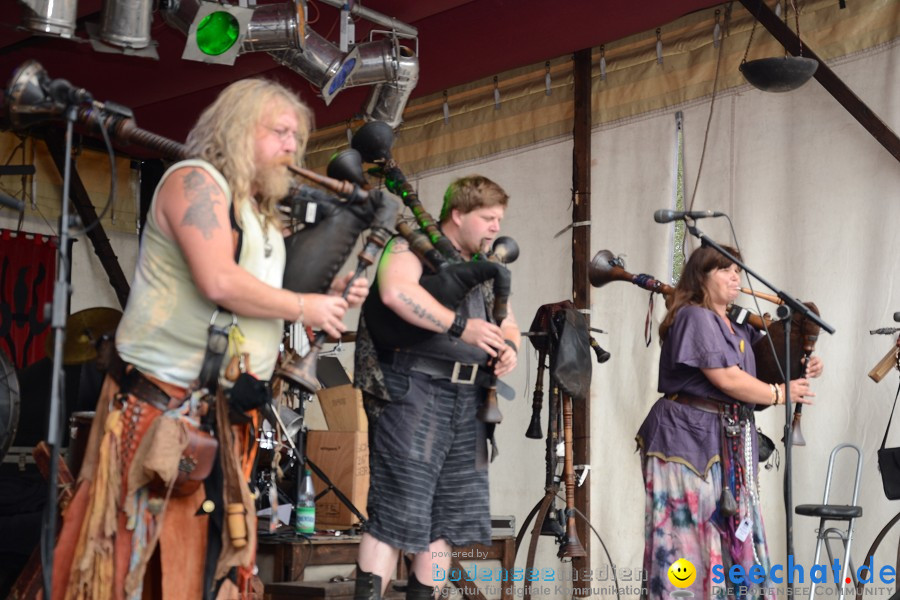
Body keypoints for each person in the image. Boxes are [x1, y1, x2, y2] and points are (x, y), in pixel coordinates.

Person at [50, 78, 368, 600]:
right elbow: (219, 280)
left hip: (224, 415)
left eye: (298, 135)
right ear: (239, 130)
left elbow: (265, 290)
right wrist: (306, 305)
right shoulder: (194, 181)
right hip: (160, 411)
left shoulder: (261, 213)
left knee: (211, 567)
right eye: (280, 131)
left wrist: (329, 289)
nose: (293, 145)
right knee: (128, 568)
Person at [352, 175, 520, 600]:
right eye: (487, 217)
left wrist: (510, 349)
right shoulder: (408, 247)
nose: (495, 227)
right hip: (413, 389)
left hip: (469, 401)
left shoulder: (486, 264)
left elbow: (508, 322)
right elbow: (395, 293)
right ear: (458, 214)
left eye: (499, 219)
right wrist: (460, 327)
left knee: (446, 521)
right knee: (395, 513)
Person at [636, 245, 823, 600]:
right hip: (685, 442)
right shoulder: (694, 316)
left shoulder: (736, 325)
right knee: (685, 543)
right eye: (725, 270)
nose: (735, 277)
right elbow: (728, 379)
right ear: (701, 278)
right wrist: (781, 393)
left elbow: (768, 366)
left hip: (728, 441)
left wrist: (806, 362)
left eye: (737, 270)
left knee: (737, 541)